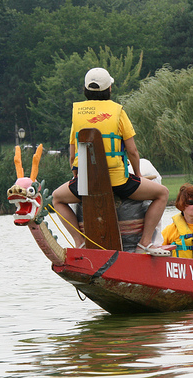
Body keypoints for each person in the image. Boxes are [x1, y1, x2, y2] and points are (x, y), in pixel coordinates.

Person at [52, 68, 169, 255]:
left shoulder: (77, 114)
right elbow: (132, 151)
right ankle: (144, 243)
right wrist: (138, 175)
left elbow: (72, 152)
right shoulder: (118, 112)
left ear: (85, 89)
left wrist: (76, 174)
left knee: (57, 198)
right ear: (109, 89)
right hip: (118, 182)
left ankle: (79, 242)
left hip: (87, 183)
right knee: (162, 194)